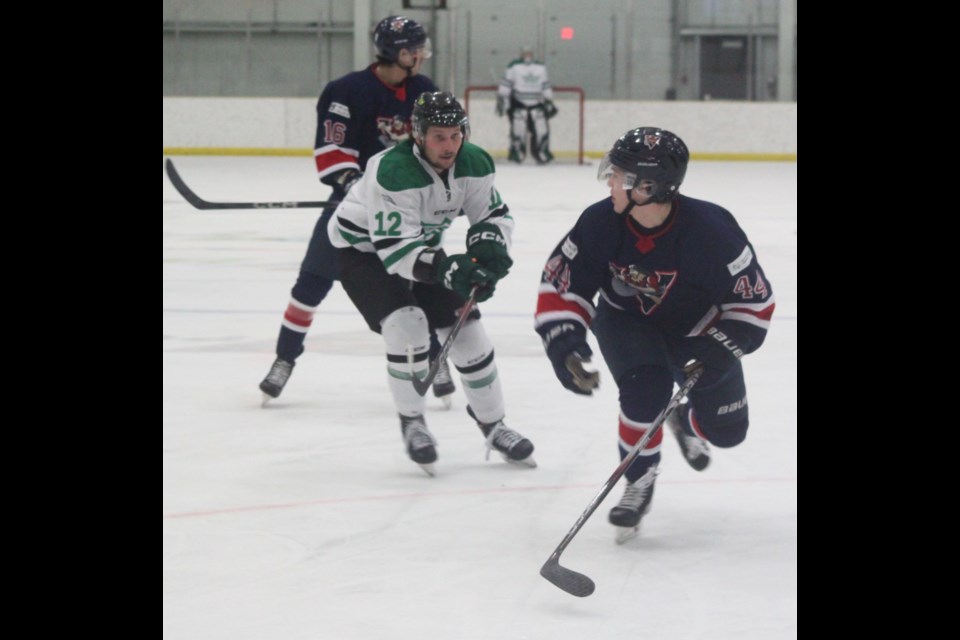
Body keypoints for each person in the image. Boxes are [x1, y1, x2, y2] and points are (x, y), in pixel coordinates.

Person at [534, 127, 775, 541]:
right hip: (626, 321)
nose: (609, 180)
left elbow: (754, 304)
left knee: (728, 431)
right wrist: (564, 342)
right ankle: (638, 480)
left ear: (646, 187)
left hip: (698, 329)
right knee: (647, 390)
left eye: (618, 175)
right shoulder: (599, 222)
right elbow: (564, 285)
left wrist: (719, 348)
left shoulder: (711, 231)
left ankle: (685, 420)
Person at [328, 91, 536, 476]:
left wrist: (490, 246)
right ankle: (413, 422)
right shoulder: (393, 170)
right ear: (419, 135)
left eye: (456, 135)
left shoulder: (474, 162)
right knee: (407, 326)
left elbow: (494, 215)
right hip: (364, 252)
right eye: (439, 136)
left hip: (422, 247)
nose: (450, 145)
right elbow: (394, 251)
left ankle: (494, 424)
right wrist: (448, 269)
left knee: (469, 329)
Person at [259, 16, 457, 405]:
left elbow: (438, 148)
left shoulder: (423, 91)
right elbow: (333, 150)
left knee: (419, 286)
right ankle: (283, 360)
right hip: (352, 211)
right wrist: (353, 183)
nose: (421, 57)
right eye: (416, 50)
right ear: (399, 53)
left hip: (406, 214)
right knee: (310, 286)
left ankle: (436, 359)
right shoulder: (347, 91)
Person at [496, 46, 557, 164]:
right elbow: (506, 84)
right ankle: (517, 153)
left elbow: (545, 85)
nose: (527, 55)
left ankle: (542, 152)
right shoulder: (514, 66)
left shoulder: (540, 67)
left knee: (542, 130)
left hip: (537, 104)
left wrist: (549, 100)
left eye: (529, 53)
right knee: (518, 130)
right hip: (519, 104)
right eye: (525, 53)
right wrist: (503, 99)